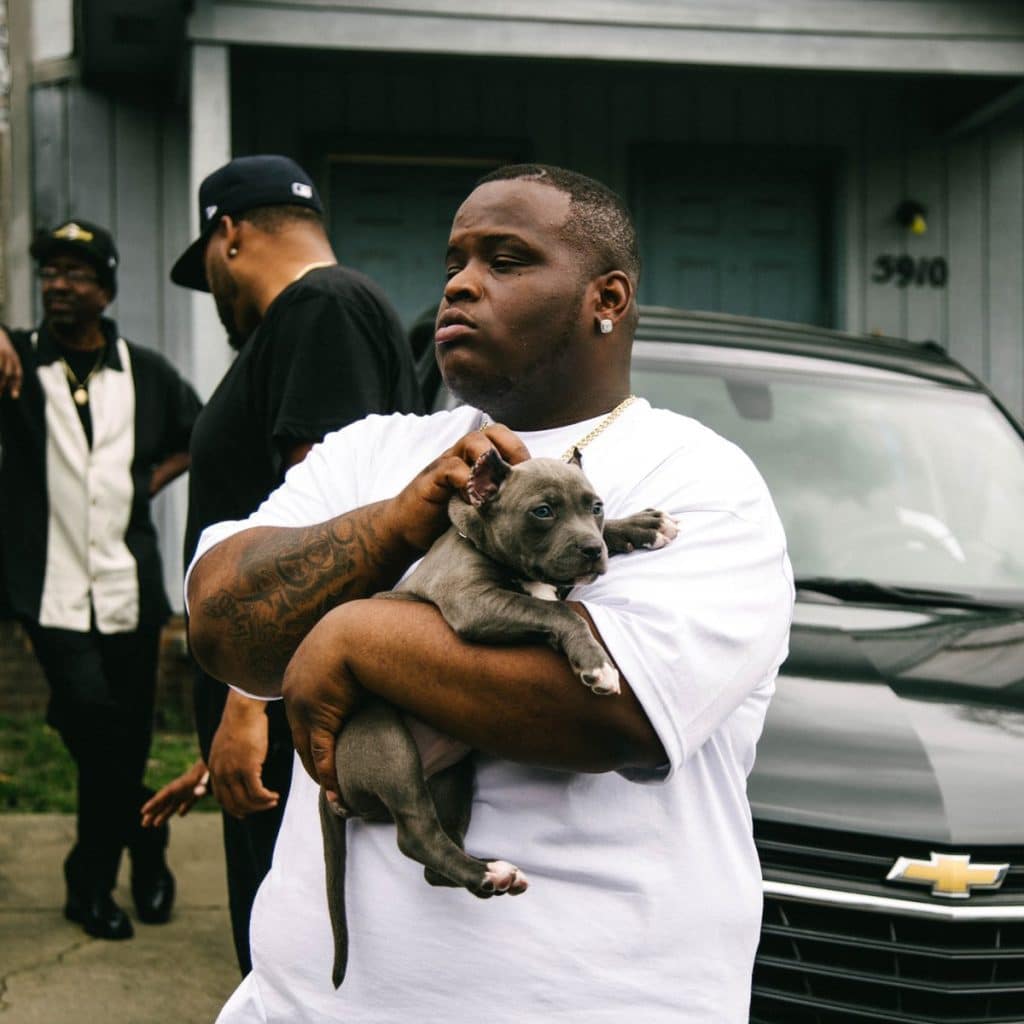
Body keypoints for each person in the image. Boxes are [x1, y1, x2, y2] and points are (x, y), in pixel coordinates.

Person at [186, 165, 794, 1022]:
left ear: (605, 297)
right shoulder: (374, 451)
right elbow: (223, 624)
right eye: (453, 264)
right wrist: (400, 523)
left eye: (505, 260)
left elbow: (603, 711)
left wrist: (352, 636)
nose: (461, 283)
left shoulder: (700, 479)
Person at [163, 153, 422, 976]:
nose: (214, 298)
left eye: (207, 270)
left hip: (288, 690)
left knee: (289, 953)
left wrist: (247, 703)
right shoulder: (318, 317)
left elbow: (326, 532)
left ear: (227, 235)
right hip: (275, 688)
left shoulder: (321, 309)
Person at [0, 220, 201, 940]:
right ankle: (98, 877)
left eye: (76, 273)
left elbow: (197, 433)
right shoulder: (17, 364)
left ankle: (141, 849)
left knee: (120, 744)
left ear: (106, 288)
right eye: (50, 272)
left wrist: (148, 480)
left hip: (128, 587)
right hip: (48, 589)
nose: (58, 283)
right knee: (93, 722)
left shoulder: (144, 372)